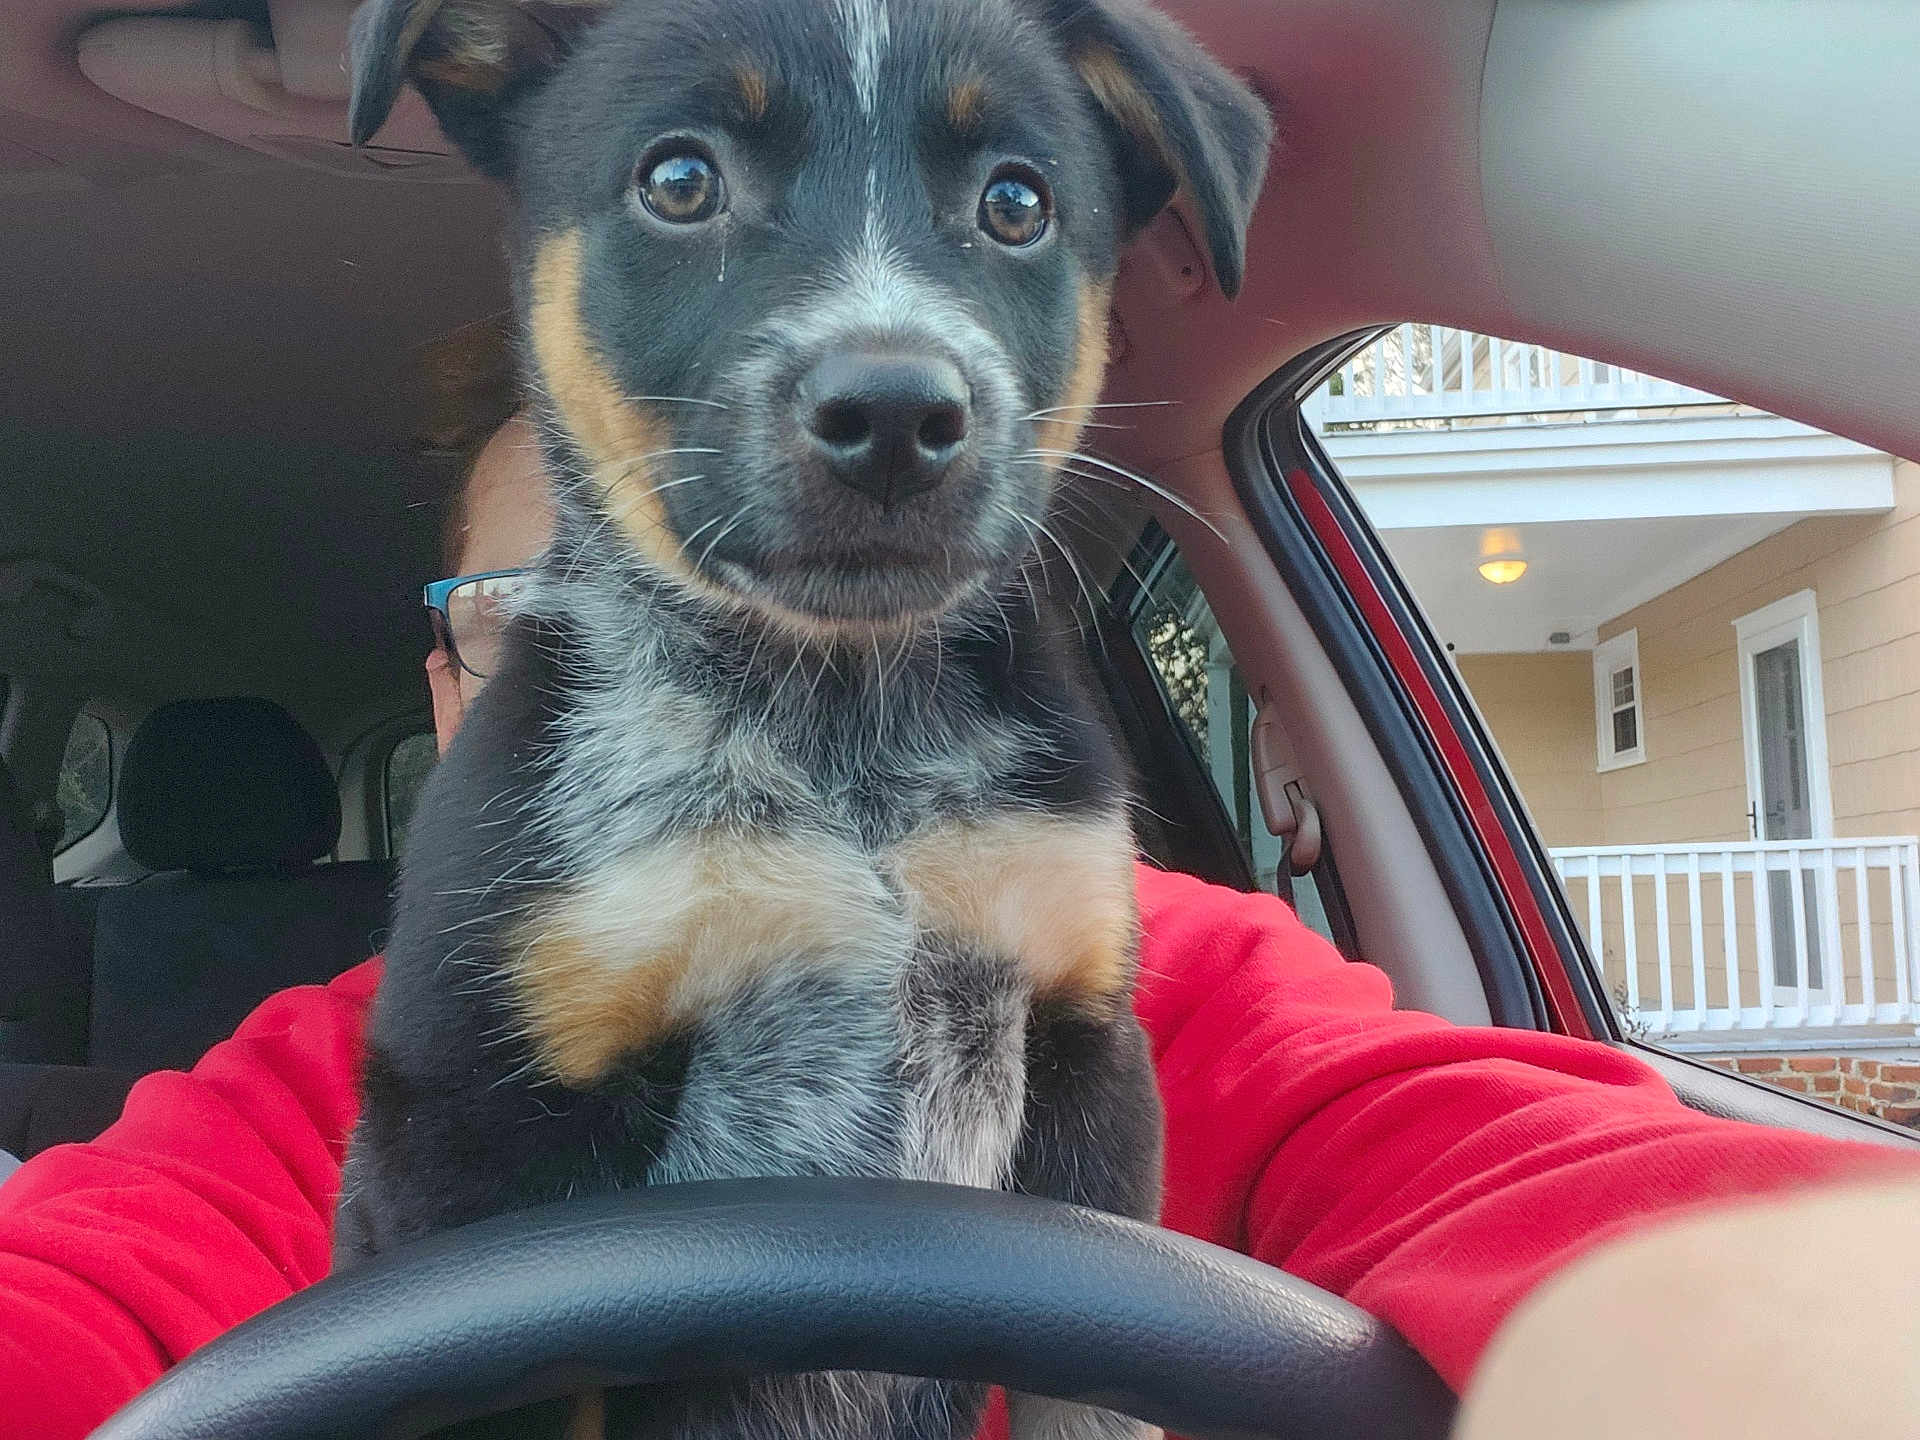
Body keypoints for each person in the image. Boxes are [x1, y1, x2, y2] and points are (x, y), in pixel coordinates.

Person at [1, 340, 1916, 1440]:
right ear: (455, 689)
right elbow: (77, 1292)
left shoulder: (1171, 985)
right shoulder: (329, 1077)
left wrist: (1726, 1330)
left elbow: (1524, 1175)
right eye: (568, 619)